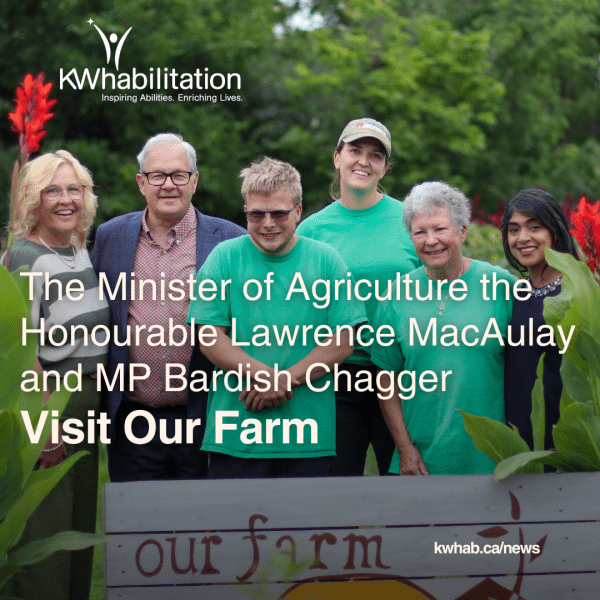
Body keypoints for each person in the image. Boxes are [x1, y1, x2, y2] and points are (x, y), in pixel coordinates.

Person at [187, 157, 366, 478]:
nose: (268, 223)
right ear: (246, 211)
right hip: (237, 432)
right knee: (235, 528)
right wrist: (267, 376)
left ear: (298, 212)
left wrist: (285, 379)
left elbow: (343, 342)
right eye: (257, 214)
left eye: (279, 213)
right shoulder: (224, 258)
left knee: (306, 528)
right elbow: (210, 338)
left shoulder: (326, 261)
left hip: (307, 434)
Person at [91, 132, 245, 482]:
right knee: (137, 528)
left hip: (205, 415)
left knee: (207, 527)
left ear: (194, 181)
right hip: (133, 418)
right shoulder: (111, 235)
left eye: (179, 175)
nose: (168, 185)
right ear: (141, 183)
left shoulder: (231, 240)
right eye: (157, 175)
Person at [4, 150, 109, 600]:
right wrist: (46, 424)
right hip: (51, 404)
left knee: (77, 525)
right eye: (53, 190)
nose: (66, 199)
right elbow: (24, 350)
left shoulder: (78, 249)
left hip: (87, 406)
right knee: (45, 531)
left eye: (74, 189)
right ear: (33, 197)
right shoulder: (25, 257)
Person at [296, 118, 420, 476]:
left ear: (385, 167)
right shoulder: (312, 230)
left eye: (375, 155)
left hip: (402, 376)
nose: (364, 161)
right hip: (335, 380)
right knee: (335, 492)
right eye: (355, 151)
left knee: (405, 484)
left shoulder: (409, 220)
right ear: (337, 158)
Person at [371, 181, 518, 475]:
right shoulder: (394, 298)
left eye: (440, 229)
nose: (430, 240)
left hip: (492, 458)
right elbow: (386, 382)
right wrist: (404, 449)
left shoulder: (503, 287)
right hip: (421, 461)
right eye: (419, 232)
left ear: (462, 231)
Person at [500, 188, 580, 450]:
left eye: (534, 227)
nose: (523, 238)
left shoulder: (578, 293)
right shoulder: (513, 294)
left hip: (567, 443)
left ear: (554, 231)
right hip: (517, 441)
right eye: (514, 229)